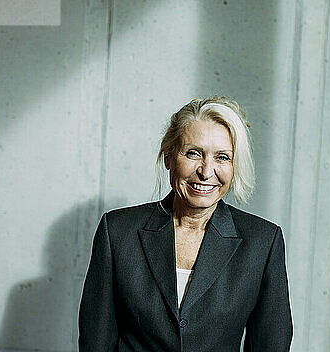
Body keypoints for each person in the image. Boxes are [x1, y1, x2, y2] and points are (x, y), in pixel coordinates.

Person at [79, 97, 293, 351]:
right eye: (193, 153)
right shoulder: (117, 232)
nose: (206, 171)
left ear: (235, 166)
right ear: (169, 157)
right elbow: (95, 342)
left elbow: (271, 345)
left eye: (222, 157)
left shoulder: (263, 242)